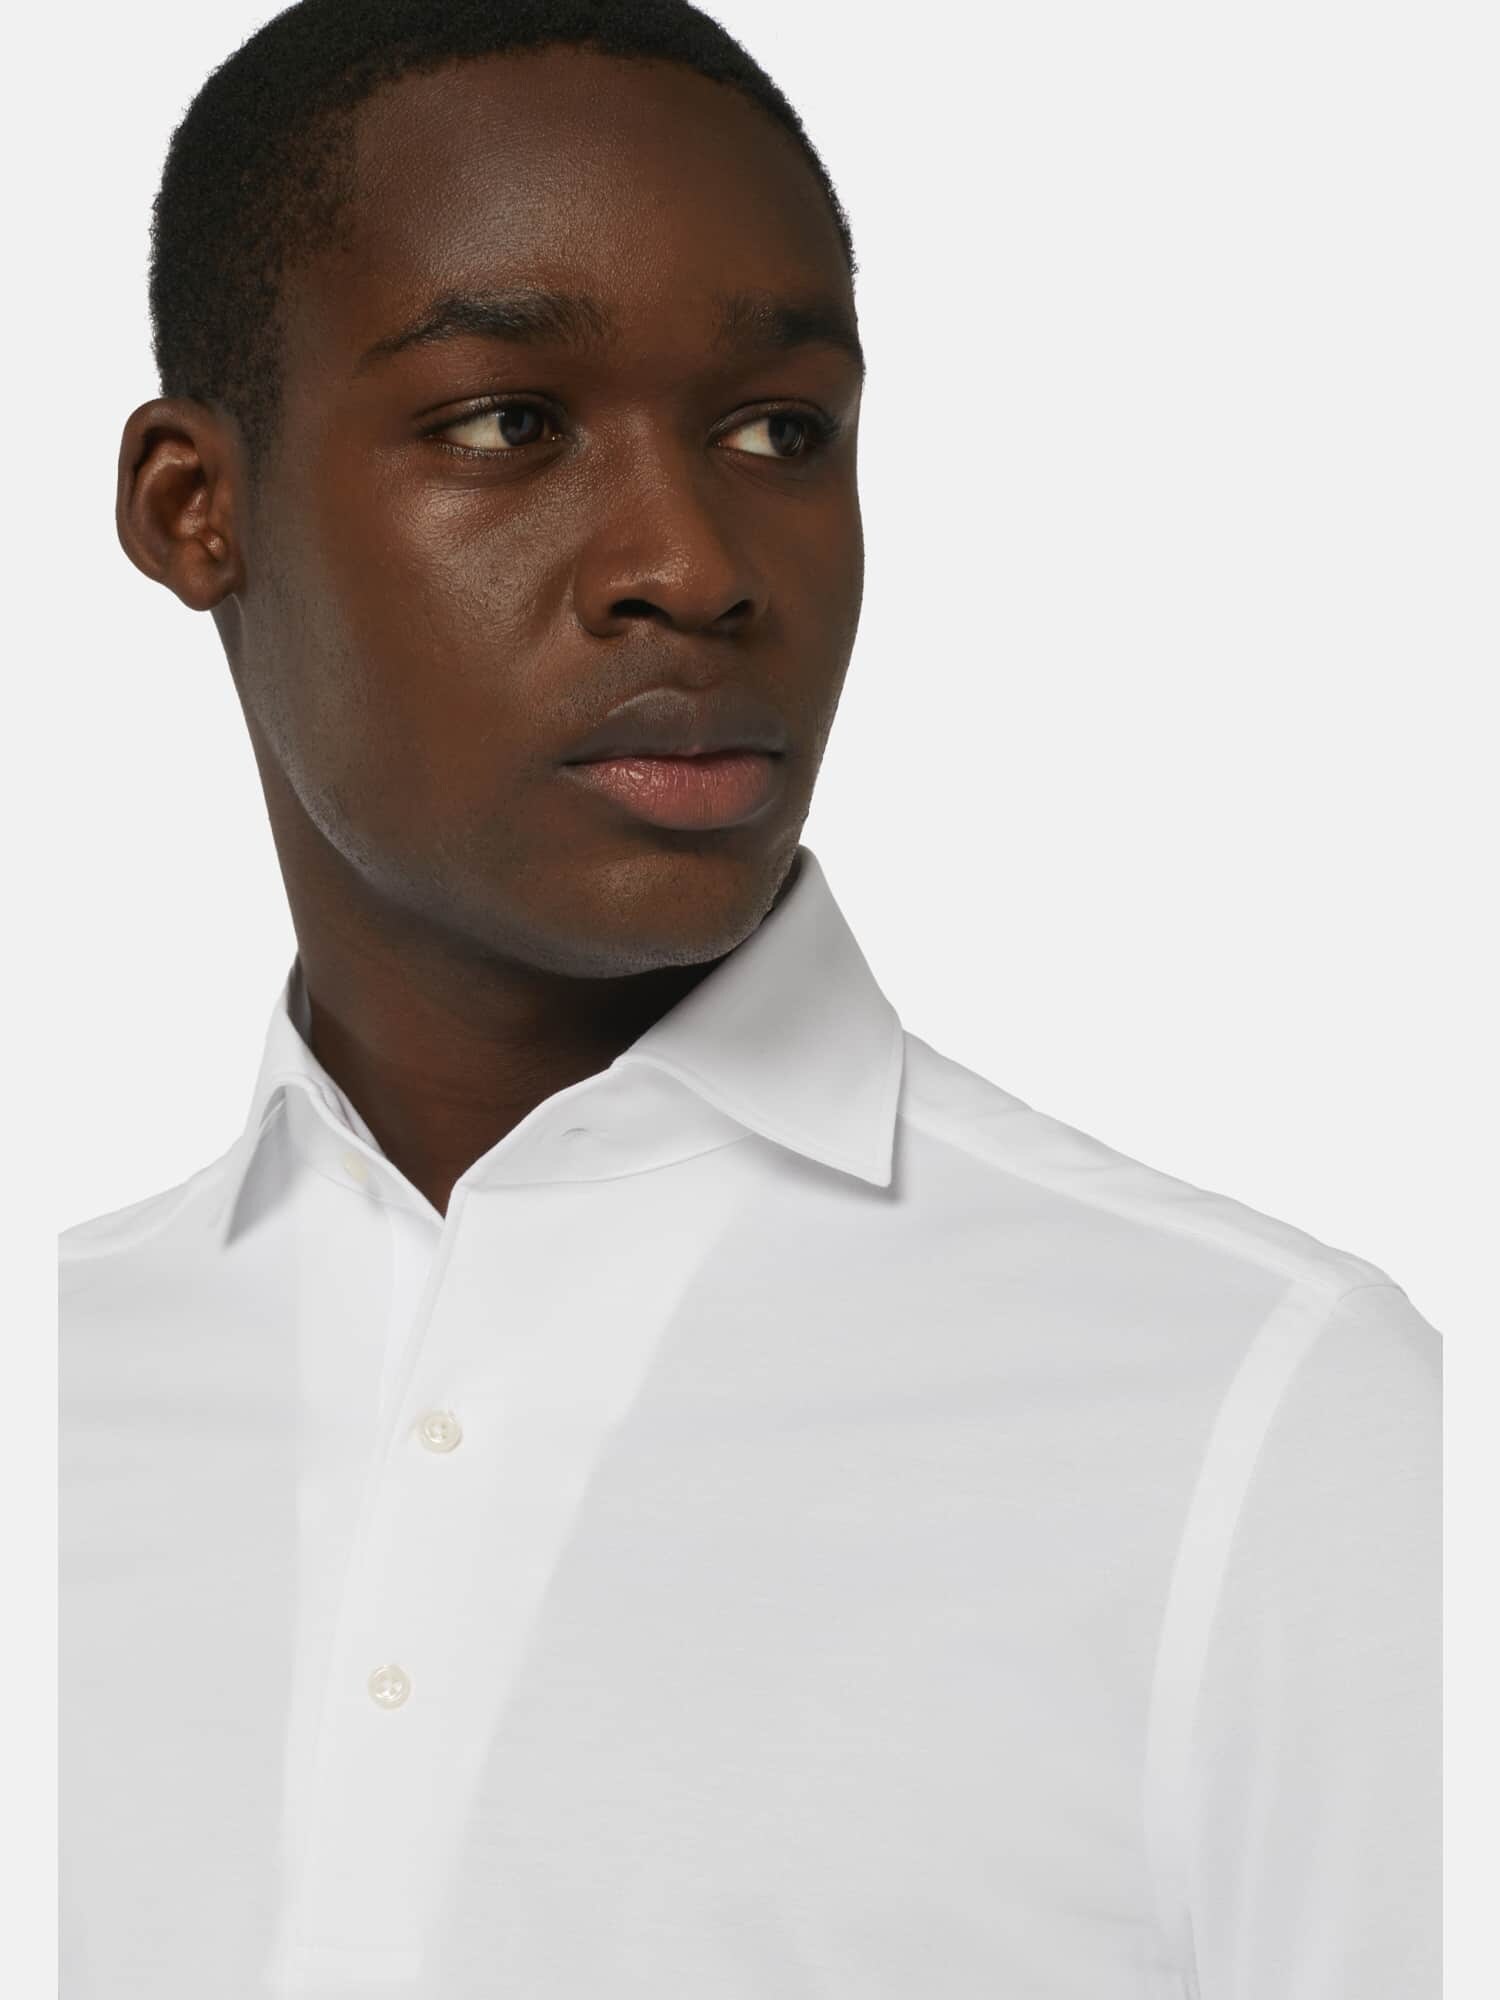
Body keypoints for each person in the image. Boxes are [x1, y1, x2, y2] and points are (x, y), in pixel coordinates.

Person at [58, 2, 1441, 1995]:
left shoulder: (1273, 1413)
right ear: (196, 508)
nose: (694, 566)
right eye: (510, 424)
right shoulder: (61, 1396)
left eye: (781, 431)